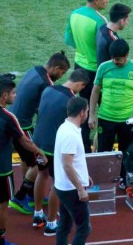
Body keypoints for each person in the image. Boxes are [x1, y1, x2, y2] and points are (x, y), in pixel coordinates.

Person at [0, 78, 47, 245]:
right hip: (0, 169)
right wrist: (40, 153)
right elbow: (24, 141)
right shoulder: (8, 118)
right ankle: (0, 241)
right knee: (2, 204)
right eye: (14, 93)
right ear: (4, 95)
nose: (16, 96)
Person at [9, 51, 70, 214]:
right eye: (62, 73)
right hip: (22, 125)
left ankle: (31, 192)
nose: (61, 76)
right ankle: (21, 197)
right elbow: (47, 109)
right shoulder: (47, 83)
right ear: (56, 68)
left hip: (13, 119)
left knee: (27, 159)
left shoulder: (35, 69)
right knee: (40, 160)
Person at [31, 69, 90, 236]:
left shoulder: (48, 89)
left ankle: (37, 214)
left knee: (41, 175)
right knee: (58, 183)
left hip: (38, 142)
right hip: (52, 147)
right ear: (81, 84)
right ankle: (51, 223)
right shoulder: (71, 101)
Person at [89, 39, 133, 187]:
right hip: (106, 118)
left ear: (127, 55)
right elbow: (95, 91)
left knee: (126, 151)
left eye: (119, 59)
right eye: (113, 58)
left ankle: (124, 178)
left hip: (127, 120)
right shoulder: (104, 67)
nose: (115, 62)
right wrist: (91, 115)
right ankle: (104, 180)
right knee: (104, 152)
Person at [65, 0, 109, 152]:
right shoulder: (100, 21)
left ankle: (83, 148)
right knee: (104, 112)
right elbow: (104, 49)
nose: (107, 0)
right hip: (95, 70)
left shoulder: (74, 14)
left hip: (79, 67)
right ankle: (103, 151)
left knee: (82, 110)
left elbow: (69, 40)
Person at [54, 97, 91, 245]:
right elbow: (67, 165)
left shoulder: (65, 127)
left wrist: (84, 176)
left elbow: (74, 161)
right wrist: (80, 189)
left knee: (65, 224)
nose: (88, 113)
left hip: (63, 186)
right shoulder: (70, 134)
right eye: (87, 111)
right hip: (71, 190)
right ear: (82, 113)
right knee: (84, 228)